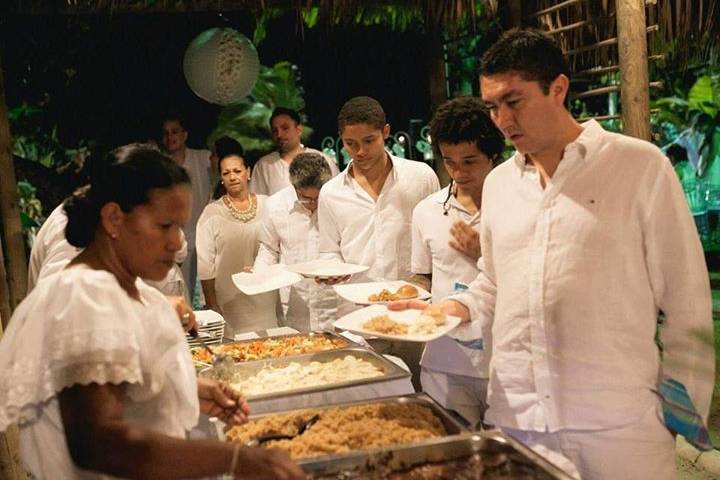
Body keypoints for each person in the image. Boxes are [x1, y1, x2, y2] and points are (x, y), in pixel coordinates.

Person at [391, 29, 715, 480]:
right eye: (492, 106)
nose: (502, 119)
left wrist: (675, 420)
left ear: (558, 88)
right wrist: (446, 309)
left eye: (514, 101)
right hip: (519, 423)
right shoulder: (501, 185)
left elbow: (688, 304)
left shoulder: (638, 167)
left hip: (619, 427)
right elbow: (494, 282)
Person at [0, 144, 303, 480]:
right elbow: (99, 442)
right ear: (114, 218)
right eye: (164, 226)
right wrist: (234, 458)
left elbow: (127, 390)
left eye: (179, 228)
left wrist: (181, 390)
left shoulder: (127, 288)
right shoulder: (86, 295)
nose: (177, 243)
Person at [318, 96, 440, 388]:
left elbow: (435, 238)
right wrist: (330, 270)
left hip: (414, 315)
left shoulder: (420, 177)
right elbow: (329, 251)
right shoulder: (331, 192)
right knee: (368, 403)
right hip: (358, 318)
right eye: (350, 143)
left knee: (424, 399)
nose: (359, 152)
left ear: (386, 132)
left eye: (369, 141)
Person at [411, 97, 504, 428]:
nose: (458, 172)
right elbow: (422, 277)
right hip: (444, 358)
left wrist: (486, 255)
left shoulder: (515, 207)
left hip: (503, 361)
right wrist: (405, 298)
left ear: (492, 154)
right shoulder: (427, 210)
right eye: (449, 162)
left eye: (469, 161)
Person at [197, 139, 279, 337]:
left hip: (265, 298)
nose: (232, 177)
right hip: (230, 300)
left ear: (248, 172)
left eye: (237, 171)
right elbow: (205, 264)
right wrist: (211, 303)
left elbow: (279, 247)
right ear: (221, 178)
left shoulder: (268, 204)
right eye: (226, 173)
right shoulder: (212, 212)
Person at [254, 152, 337, 331]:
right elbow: (268, 249)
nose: (313, 204)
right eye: (307, 199)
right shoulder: (275, 205)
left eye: (318, 198)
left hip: (333, 300)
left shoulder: (337, 201)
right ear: (295, 187)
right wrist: (259, 272)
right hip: (295, 302)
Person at [162, 115, 214, 300]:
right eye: (166, 133)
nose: (170, 137)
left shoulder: (203, 158)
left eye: (175, 132)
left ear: (185, 135)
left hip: (205, 235)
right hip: (177, 241)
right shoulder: (160, 167)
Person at [250, 107, 339, 196]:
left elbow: (337, 194)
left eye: (285, 128)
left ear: (299, 129)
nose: (279, 134)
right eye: (274, 131)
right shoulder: (264, 165)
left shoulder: (322, 160)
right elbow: (257, 201)